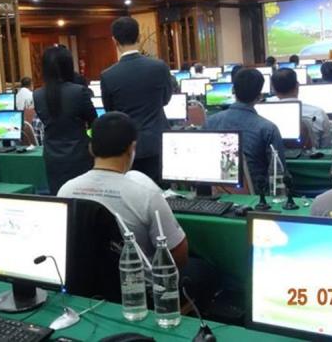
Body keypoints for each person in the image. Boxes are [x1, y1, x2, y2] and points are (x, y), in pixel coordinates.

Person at [58, 112, 217, 307]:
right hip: (141, 293)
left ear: (91, 148)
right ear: (131, 148)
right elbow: (179, 256)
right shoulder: (145, 194)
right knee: (205, 269)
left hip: (86, 288)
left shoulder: (65, 190)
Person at [100, 17, 172, 182]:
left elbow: (110, 111)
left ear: (114, 41)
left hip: (126, 145)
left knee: (131, 191)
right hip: (158, 140)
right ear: (139, 37)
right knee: (161, 190)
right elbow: (165, 99)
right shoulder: (159, 67)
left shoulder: (108, 75)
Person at [205, 68, 285, 190]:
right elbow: (279, 172)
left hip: (216, 192)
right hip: (257, 195)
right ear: (259, 96)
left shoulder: (210, 122)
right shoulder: (268, 129)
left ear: (233, 90)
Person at [34, 46, 97, 194]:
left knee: (60, 195)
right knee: (82, 197)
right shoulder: (78, 91)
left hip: (52, 154)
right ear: (68, 66)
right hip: (78, 153)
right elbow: (94, 121)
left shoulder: (37, 95)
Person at [269, 69, 332, 149]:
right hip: (312, 156)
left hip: (276, 156)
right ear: (297, 85)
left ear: (274, 89)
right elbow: (326, 148)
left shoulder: (264, 113)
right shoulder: (318, 112)